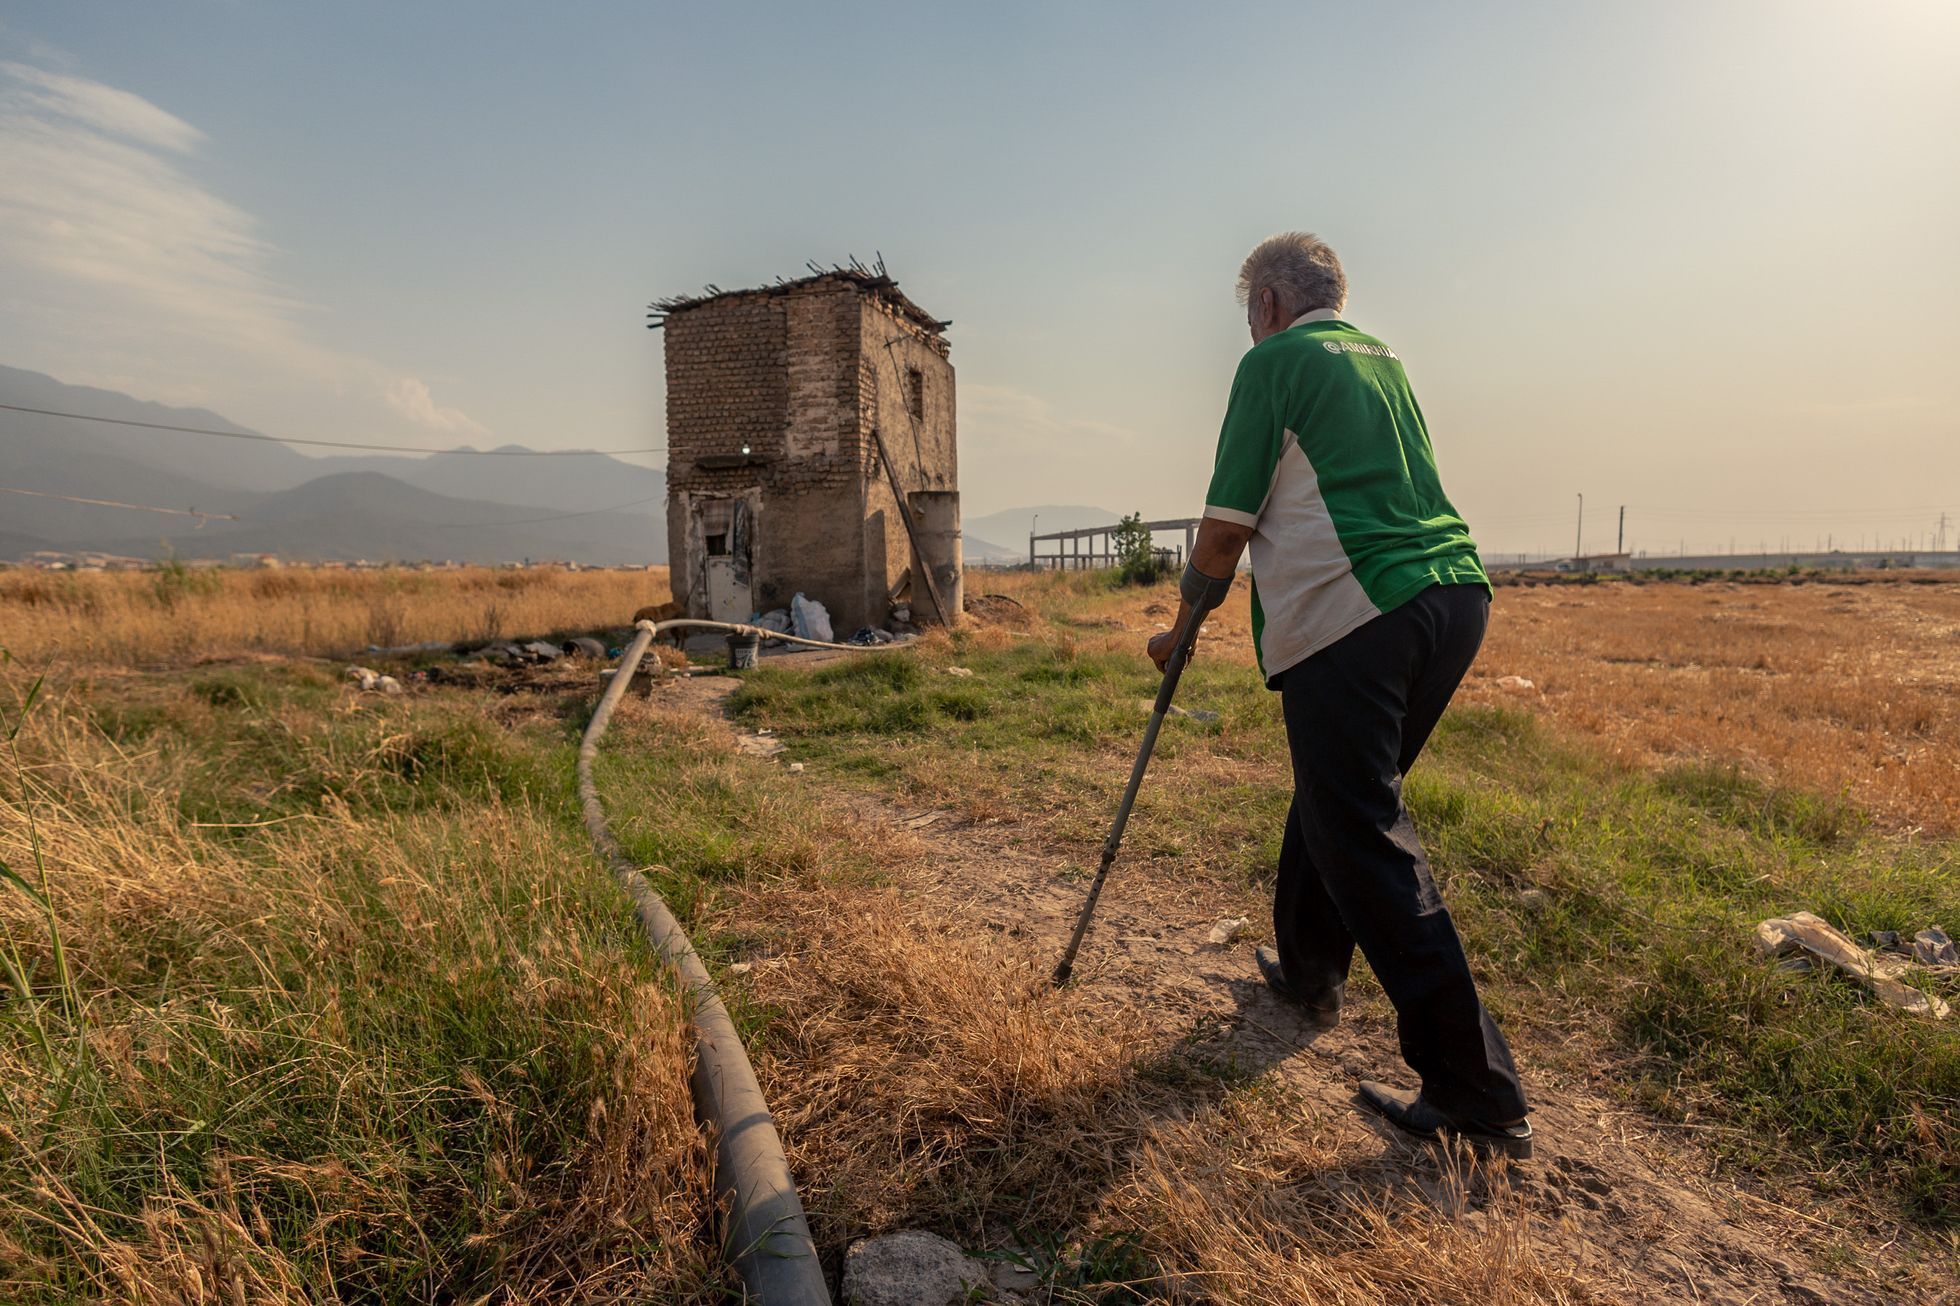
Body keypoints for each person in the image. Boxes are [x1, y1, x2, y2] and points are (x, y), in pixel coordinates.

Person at [1148, 232, 1532, 1159]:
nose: (1249, 333)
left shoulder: (1274, 362)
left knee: (1361, 827)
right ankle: (1311, 970)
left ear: (1271, 305)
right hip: (1451, 598)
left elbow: (1223, 531)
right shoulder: (1381, 360)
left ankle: (1476, 1093)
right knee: (1337, 797)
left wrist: (1180, 629)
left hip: (1358, 612)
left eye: (1248, 316)